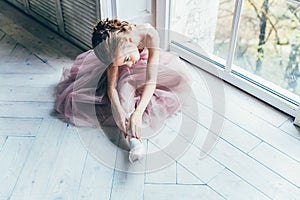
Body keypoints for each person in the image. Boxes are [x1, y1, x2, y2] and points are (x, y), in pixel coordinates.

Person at [54, 18, 191, 163]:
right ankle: (134, 140)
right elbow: (111, 87)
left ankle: (135, 108)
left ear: (130, 41)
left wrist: (138, 114)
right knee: (124, 93)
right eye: (124, 61)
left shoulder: (149, 34)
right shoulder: (115, 58)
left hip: (146, 64)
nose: (130, 64)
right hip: (123, 73)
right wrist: (118, 110)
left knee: (179, 77)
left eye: (126, 58)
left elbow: (151, 80)